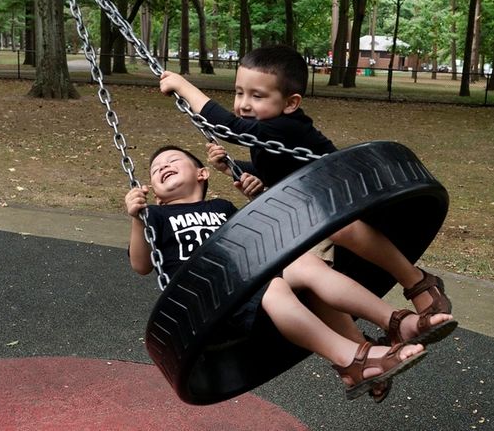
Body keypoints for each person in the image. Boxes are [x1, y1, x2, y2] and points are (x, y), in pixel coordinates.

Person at [158, 45, 456, 348]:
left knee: (340, 228)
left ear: (291, 103)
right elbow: (283, 173)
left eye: (257, 96)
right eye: (239, 93)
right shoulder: (265, 130)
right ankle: (362, 352)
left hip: (349, 204)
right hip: (313, 219)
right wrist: (236, 170)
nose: (244, 105)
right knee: (312, 279)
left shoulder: (286, 127)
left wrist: (183, 85)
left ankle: (418, 283)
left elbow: (230, 128)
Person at [125, 145, 439, 401]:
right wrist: (138, 219)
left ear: (202, 173)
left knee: (305, 265)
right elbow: (141, 265)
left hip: (249, 282)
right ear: (153, 192)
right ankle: (353, 358)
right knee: (275, 286)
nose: (163, 165)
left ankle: (396, 321)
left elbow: (263, 239)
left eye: (173, 160)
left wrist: (257, 196)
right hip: (209, 306)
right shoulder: (156, 216)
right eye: (156, 169)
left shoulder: (222, 208)